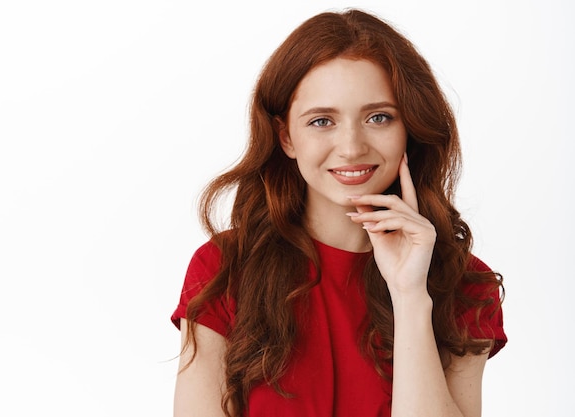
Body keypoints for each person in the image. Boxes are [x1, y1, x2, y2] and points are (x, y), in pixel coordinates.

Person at [171, 8, 506, 417]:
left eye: (378, 117)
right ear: (286, 138)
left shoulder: (466, 285)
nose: (351, 146)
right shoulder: (224, 269)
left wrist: (410, 296)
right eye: (322, 121)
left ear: (410, 129)